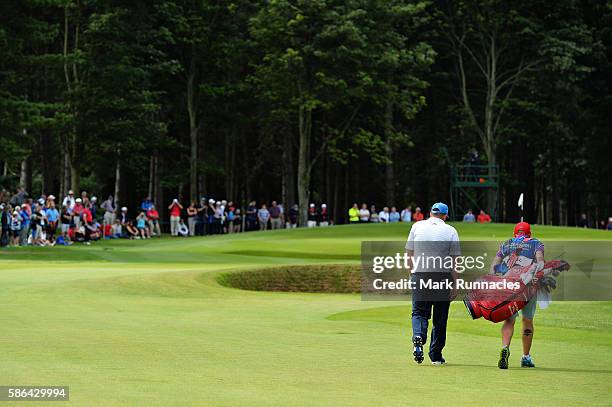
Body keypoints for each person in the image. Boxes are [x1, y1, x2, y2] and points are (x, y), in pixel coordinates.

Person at [406, 202, 460, 365]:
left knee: (419, 312)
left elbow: (409, 254)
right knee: (440, 316)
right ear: (445, 215)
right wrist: (456, 283)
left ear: (430, 213)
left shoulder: (417, 226)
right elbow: (455, 260)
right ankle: (436, 355)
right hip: (442, 277)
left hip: (420, 274)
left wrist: (411, 274)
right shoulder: (451, 230)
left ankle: (419, 336)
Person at [489, 222, 543, 369]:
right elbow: (540, 261)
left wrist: (492, 277)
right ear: (529, 233)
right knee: (527, 320)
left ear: (515, 233)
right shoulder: (536, 243)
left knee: (509, 320)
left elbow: (495, 263)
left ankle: (505, 347)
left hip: (509, 285)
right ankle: (526, 357)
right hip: (528, 286)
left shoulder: (507, 244)